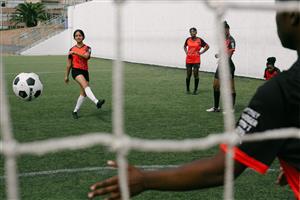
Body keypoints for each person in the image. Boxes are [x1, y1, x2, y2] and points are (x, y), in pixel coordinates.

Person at [87, 0, 300, 199]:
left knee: (226, 85)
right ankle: (217, 106)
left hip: (224, 66)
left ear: (291, 15)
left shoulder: (280, 92)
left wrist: (145, 180)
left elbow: (222, 170)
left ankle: (225, 107)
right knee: (216, 85)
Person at [64, 29, 105, 119]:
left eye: (80, 35)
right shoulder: (71, 49)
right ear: (74, 38)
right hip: (76, 71)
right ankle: (96, 102)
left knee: (84, 93)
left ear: (83, 37)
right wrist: (66, 76)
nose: (78, 37)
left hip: (85, 72)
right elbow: (69, 64)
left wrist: (75, 52)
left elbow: (86, 56)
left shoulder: (87, 48)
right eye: (76, 36)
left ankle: (75, 111)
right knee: (85, 85)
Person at [206, 21, 236, 112]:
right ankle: (216, 107)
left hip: (228, 66)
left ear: (227, 29)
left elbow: (230, 54)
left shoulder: (231, 40)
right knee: (215, 86)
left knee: (231, 87)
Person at [184, 27, 210, 95]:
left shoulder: (199, 40)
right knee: (188, 75)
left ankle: (195, 90)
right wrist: (186, 52)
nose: (192, 33)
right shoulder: (188, 39)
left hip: (196, 59)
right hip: (188, 59)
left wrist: (201, 52)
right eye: (191, 32)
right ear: (190, 33)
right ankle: (187, 89)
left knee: (196, 74)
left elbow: (207, 46)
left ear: (196, 32)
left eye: (193, 31)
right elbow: (184, 46)